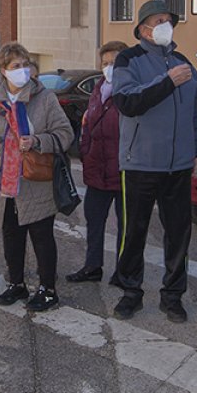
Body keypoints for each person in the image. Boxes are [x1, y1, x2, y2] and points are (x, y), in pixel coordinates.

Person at [111, 0, 197, 322]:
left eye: (169, 18)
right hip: (139, 162)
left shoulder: (184, 63)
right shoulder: (129, 59)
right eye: (158, 19)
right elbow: (127, 102)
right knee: (133, 231)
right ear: (143, 29)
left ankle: (172, 296)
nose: (165, 24)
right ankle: (130, 292)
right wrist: (167, 82)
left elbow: (196, 114)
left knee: (179, 233)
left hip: (178, 166)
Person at [0, 42, 75, 312]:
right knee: (11, 237)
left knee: (42, 237)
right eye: (15, 66)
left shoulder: (45, 98)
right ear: (3, 71)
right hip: (2, 183)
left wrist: (38, 141)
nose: (22, 70)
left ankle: (48, 290)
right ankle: (16, 284)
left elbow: (65, 134)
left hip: (35, 181)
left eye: (25, 64)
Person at [66, 40, 129, 283]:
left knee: (126, 226)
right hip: (96, 170)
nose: (109, 67)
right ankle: (92, 267)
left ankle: (124, 272)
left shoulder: (131, 91)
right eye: (105, 63)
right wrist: (85, 151)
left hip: (123, 172)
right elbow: (87, 126)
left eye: (115, 62)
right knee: (94, 222)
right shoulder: (99, 88)